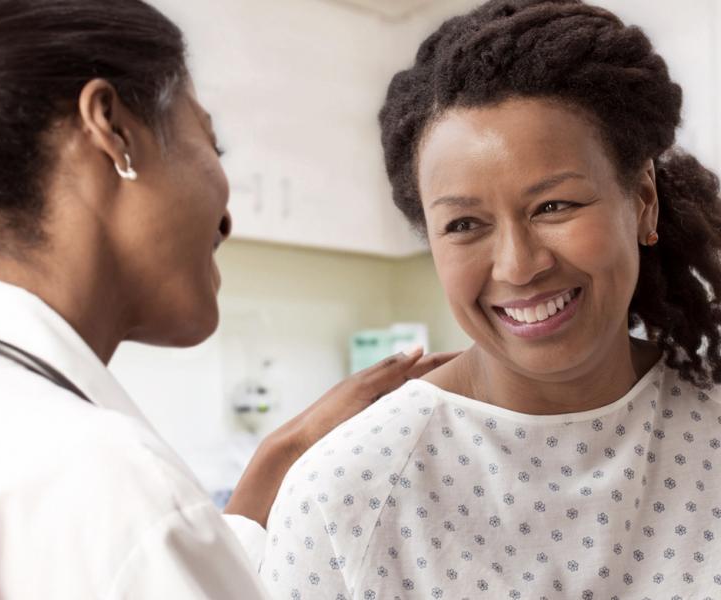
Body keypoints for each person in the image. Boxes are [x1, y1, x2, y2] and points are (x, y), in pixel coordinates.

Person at [0, 0, 457, 598]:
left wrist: (281, 457)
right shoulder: (107, 483)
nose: (227, 218)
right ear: (113, 130)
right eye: (210, 142)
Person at [261, 0, 721, 597]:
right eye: (464, 225)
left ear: (642, 200)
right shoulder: (344, 491)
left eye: (554, 206)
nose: (519, 265)